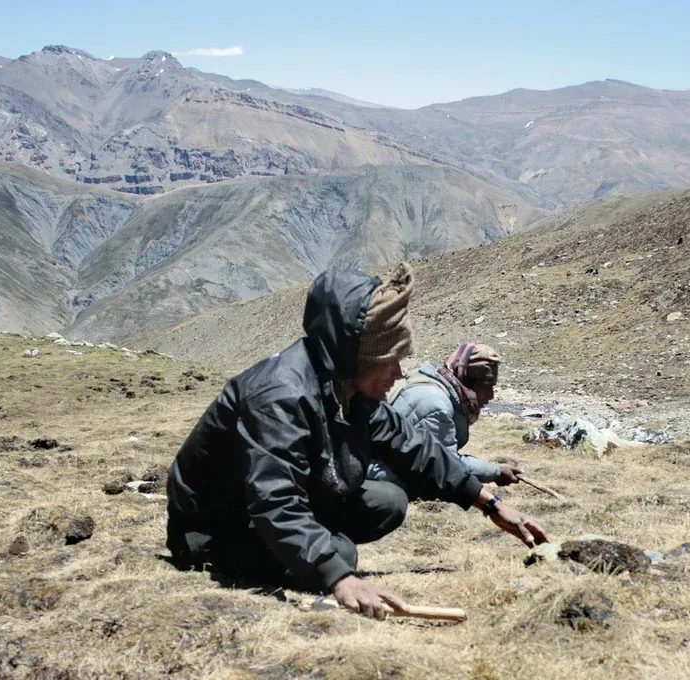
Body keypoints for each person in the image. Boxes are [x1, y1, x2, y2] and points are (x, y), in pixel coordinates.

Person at [166, 264, 548, 620]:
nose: (399, 374)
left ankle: (307, 543)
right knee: (341, 554)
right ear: (358, 356)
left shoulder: (349, 386)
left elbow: (412, 445)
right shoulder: (280, 394)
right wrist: (338, 576)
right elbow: (274, 498)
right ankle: (288, 550)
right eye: (390, 360)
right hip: (219, 526)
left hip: (270, 505)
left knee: (387, 502)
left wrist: (489, 502)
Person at [367, 343, 521, 490]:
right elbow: (445, 464)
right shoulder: (436, 405)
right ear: (468, 381)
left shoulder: (430, 382)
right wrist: (495, 471)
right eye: (487, 386)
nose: (491, 395)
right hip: (375, 475)